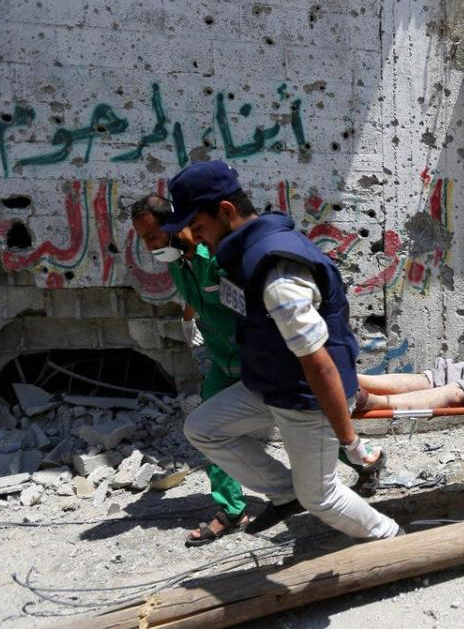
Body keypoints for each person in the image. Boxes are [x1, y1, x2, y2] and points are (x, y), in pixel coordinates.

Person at [162, 160, 402, 540]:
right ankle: (284, 491)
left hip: (305, 398)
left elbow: (320, 365)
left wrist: (351, 443)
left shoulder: (277, 273)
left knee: (321, 496)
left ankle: (391, 541)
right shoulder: (245, 255)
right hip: (271, 385)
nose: (197, 237)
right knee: (203, 428)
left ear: (226, 211)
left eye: (200, 227)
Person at [131, 194, 247, 547]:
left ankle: (359, 463)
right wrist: (190, 330)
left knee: (302, 418)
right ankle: (232, 510)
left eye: (151, 236)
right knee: (207, 429)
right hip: (223, 362)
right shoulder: (177, 264)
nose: (148, 246)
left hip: (257, 359)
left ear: (172, 226)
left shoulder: (214, 256)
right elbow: (193, 300)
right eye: (142, 239)